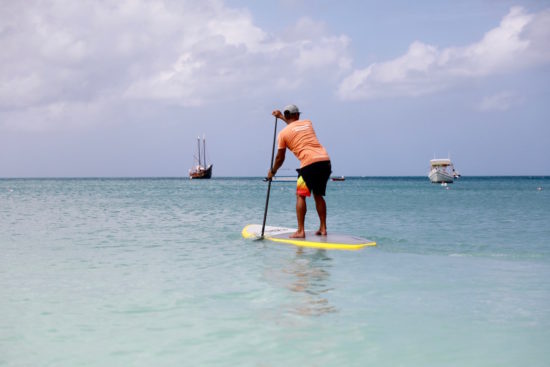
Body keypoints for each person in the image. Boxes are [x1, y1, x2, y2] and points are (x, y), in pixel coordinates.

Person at [267, 104, 332, 238]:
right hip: (325, 161)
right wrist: (281, 117)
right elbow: (294, 126)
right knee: (318, 195)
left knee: (301, 195)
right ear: (297, 115)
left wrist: (273, 171)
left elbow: (280, 157)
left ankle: (301, 231)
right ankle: (323, 228)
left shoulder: (283, 134)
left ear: (286, 116)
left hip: (308, 165)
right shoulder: (308, 123)